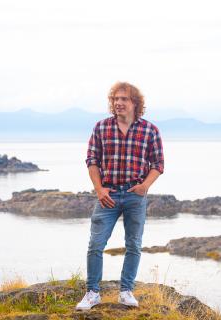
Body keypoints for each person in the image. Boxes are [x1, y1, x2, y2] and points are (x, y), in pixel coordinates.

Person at [76, 82, 164, 311]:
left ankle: (126, 292)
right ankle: (93, 293)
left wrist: (145, 186)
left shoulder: (150, 130)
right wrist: (99, 189)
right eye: (115, 99)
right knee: (96, 244)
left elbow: (158, 164)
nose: (118, 103)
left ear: (135, 103)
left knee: (133, 245)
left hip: (135, 195)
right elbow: (92, 161)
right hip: (108, 195)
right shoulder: (101, 128)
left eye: (124, 99)